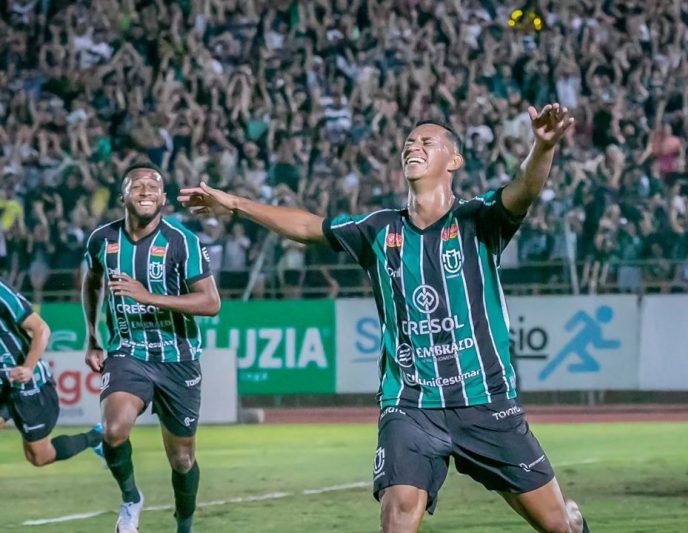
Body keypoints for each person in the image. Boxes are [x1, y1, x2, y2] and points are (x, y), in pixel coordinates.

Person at [180, 103, 588, 532]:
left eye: (427, 142)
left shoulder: (477, 219)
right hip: (410, 403)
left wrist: (542, 148)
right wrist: (235, 204)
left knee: (558, 526)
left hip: (483, 401)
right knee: (397, 518)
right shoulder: (378, 229)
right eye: (410, 142)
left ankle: (572, 520)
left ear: (454, 161)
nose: (414, 146)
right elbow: (308, 228)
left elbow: (523, 188)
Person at [82, 163, 221, 533]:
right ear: (123, 196)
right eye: (136, 185)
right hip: (128, 352)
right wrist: (92, 337)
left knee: (182, 459)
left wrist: (150, 297)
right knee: (114, 430)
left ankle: (184, 526)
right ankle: (131, 499)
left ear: (162, 199)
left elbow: (210, 303)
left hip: (178, 359)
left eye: (153, 186)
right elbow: (91, 282)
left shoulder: (183, 242)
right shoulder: (102, 240)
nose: (145, 190)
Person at [0, 278, 103, 467]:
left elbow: (42, 329)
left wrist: (28, 368)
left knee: (39, 457)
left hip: (27, 383)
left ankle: (96, 437)